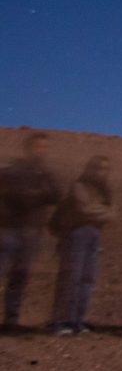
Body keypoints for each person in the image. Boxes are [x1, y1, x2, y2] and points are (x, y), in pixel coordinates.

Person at [1, 134, 61, 331]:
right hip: (9, 228)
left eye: (45, 147)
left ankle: (12, 318)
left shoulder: (45, 172)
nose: (41, 150)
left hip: (31, 230)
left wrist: (36, 194)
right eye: (38, 146)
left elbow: (56, 194)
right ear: (28, 148)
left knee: (20, 274)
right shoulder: (13, 169)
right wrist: (23, 195)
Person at [52, 156, 113, 335]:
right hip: (75, 233)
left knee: (87, 279)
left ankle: (78, 320)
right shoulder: (78, 186)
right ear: (90, 169)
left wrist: (98, 212)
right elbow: (83, 210)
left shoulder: (104, 190)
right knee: (72, 278)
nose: (102, 172)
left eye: (105, 169)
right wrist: (101, 211)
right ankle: (62, 321)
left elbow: (112, 213)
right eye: (98, 168)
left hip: (94, 234)